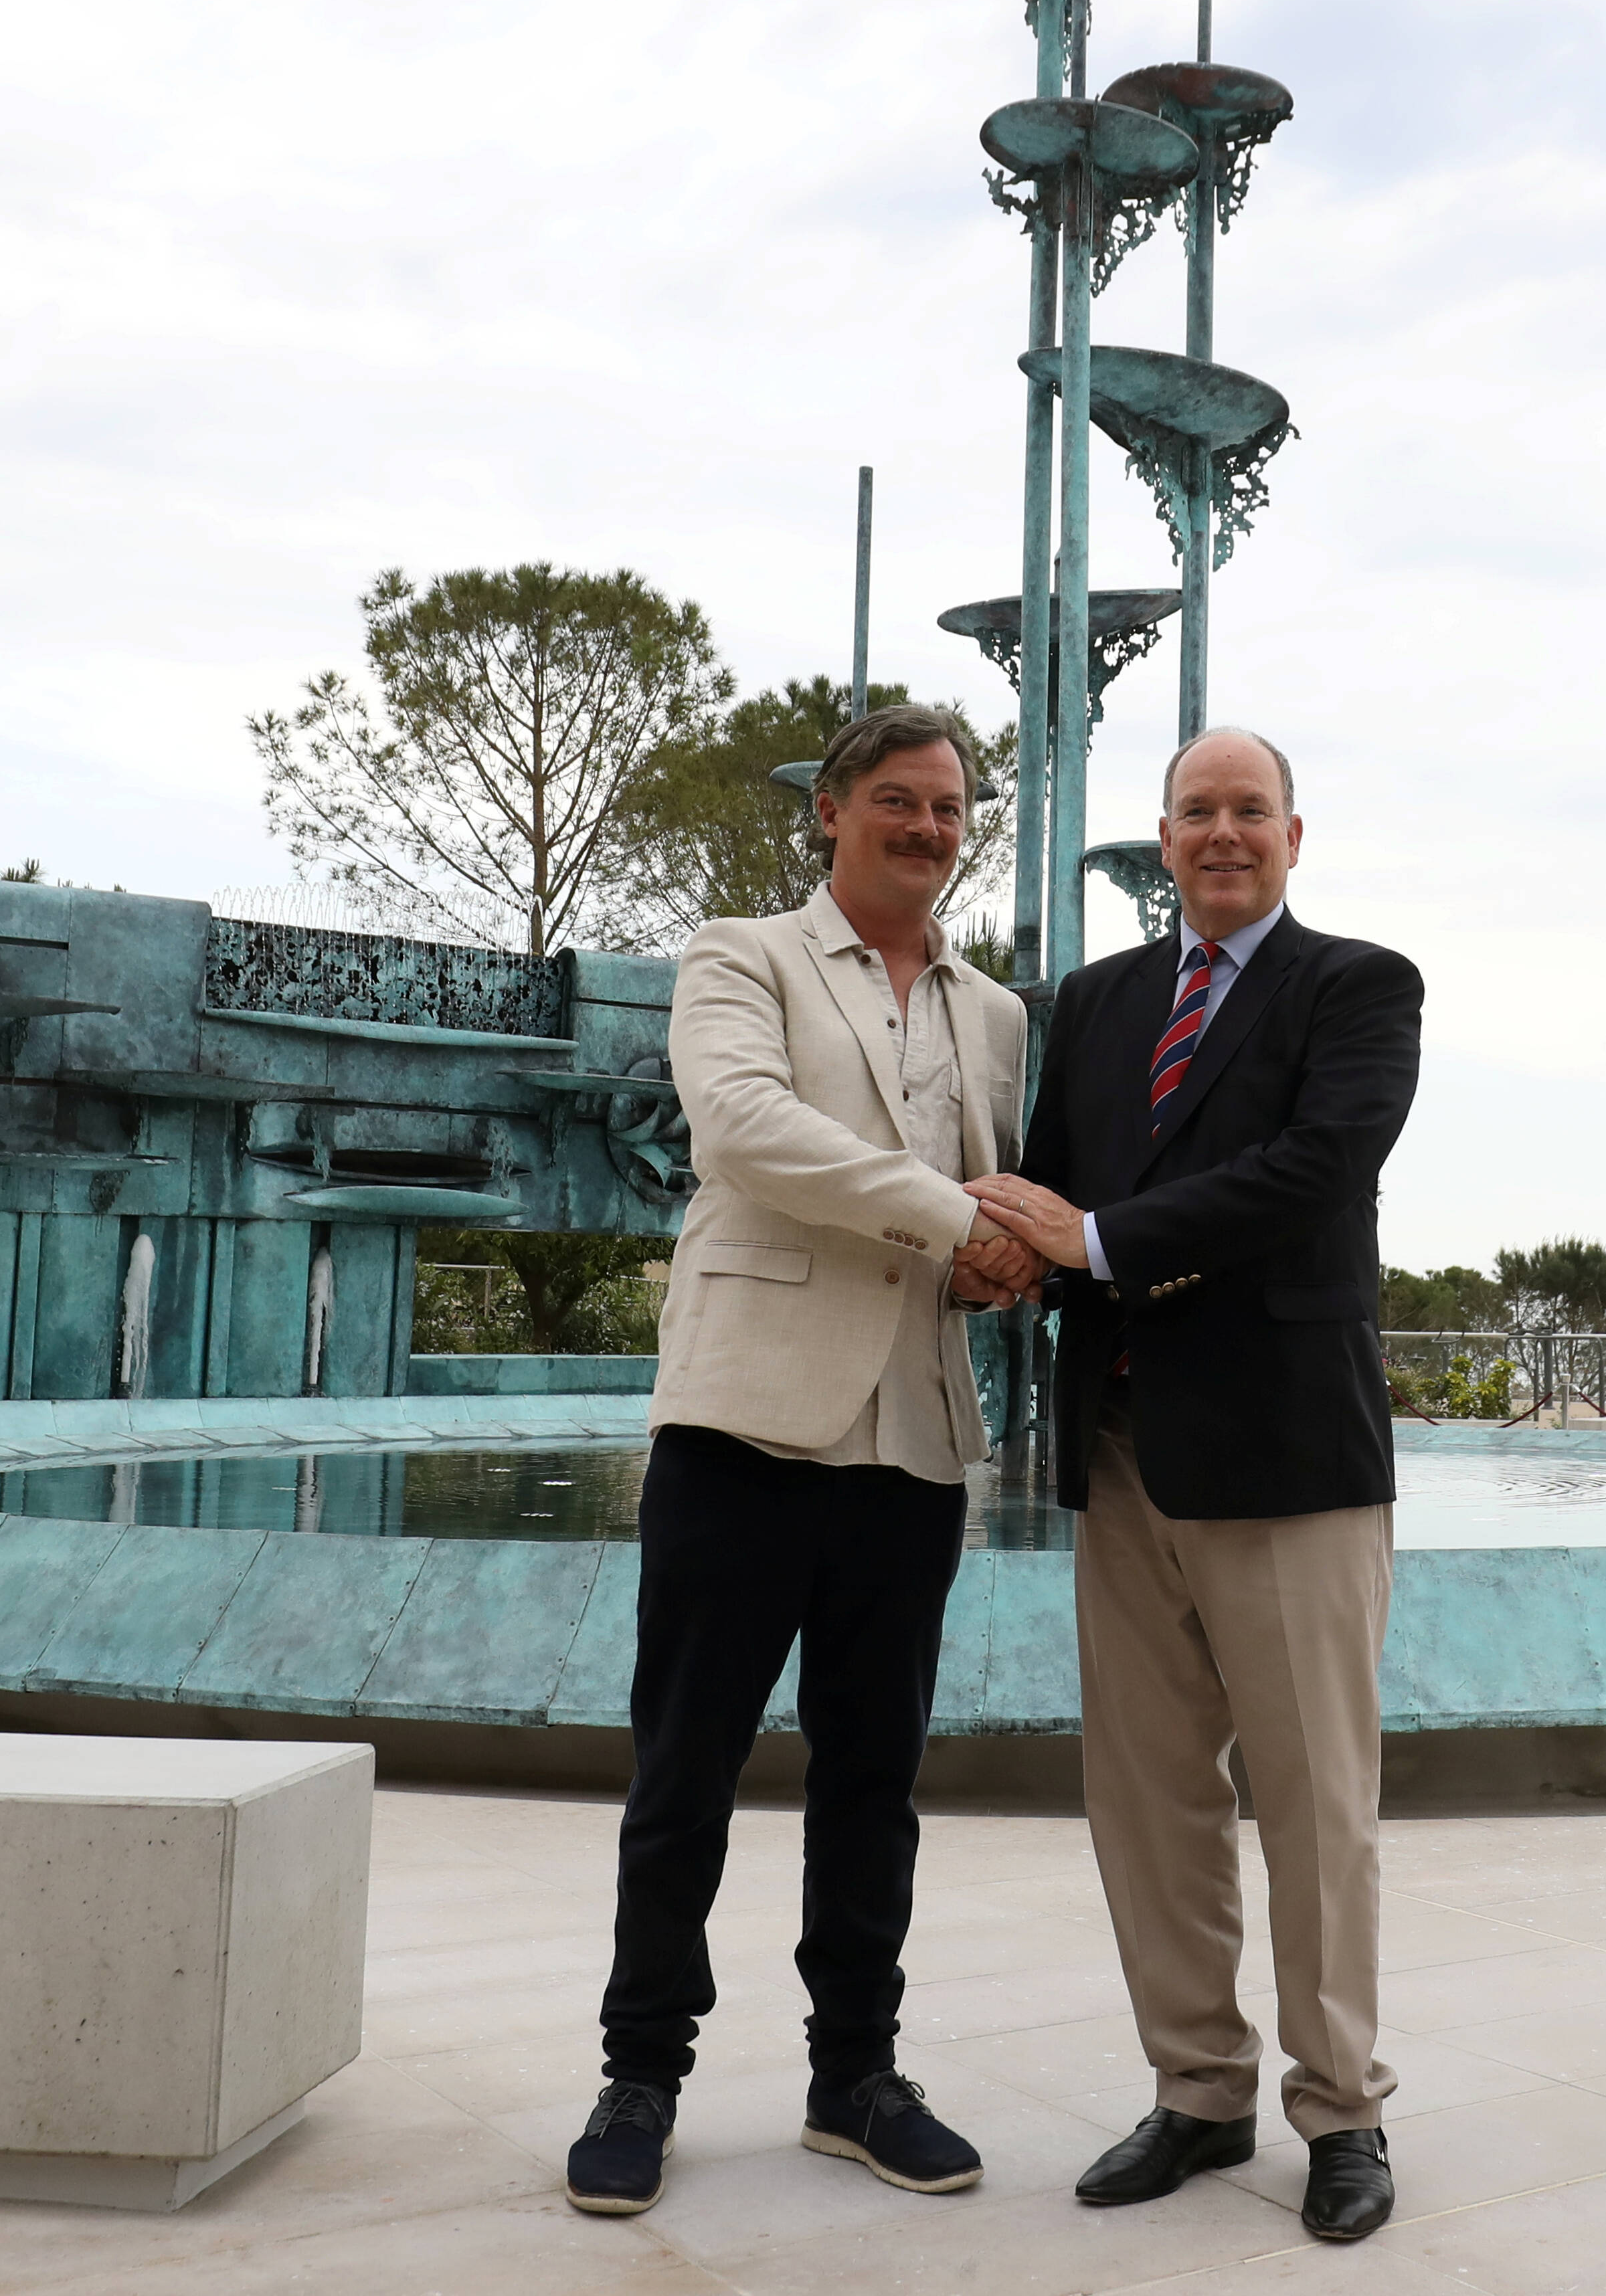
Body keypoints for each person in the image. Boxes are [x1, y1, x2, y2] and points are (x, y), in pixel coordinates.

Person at [565, 704, 1050, 2220]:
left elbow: (987, 1198)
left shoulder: (998, 1014)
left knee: (873, 1783)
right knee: (684, 1774)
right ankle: (641, 2073)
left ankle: (858, 2076)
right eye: (897, 801)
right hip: (743, 1420)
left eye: (950, 808)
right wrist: (947, 1219)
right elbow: (747, 1131)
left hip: (911, 1436)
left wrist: (994, 1258)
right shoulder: (741, 956)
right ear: (831, 812)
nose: (927, 827)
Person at [962, 727, 1424, 2245]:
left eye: (1249, 811)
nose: (1222, 833)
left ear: (1296, 833)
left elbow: (1319, 1169)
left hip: (1291, 1460)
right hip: (1121, 1453)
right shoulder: (1090, 1007)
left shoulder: (1359, 988)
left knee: (1315, 1806)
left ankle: (1342, 2107)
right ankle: (1199, 2091)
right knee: (1148, 1805)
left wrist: (1088, 1238)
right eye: (1195, 813)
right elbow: (1036, 1185)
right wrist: (995, 1250)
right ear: (1160, 841)